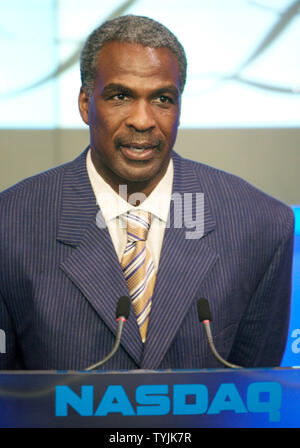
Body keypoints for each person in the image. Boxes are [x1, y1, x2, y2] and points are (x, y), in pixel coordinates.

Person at [0, 15, 294, 370]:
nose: (142, 120)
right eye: (121, 96)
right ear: (84, 104)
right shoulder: (10, 225)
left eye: (162, 99)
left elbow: (253, 393)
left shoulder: (260, 225)